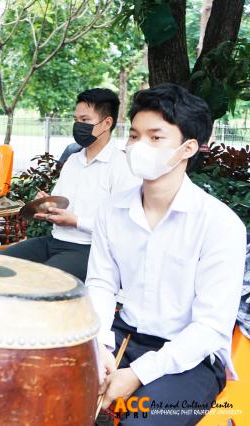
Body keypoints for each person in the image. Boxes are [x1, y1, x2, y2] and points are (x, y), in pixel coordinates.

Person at [88, 84, 246, 425]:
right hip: (122, 338)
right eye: (134, 136)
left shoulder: (220, 225)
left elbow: (208, 328)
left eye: (155, 137)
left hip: (192, 358)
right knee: (49, 393)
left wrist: (136, 374)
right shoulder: (112, 210)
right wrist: (100, 348)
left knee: (144, 420)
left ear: (188, 147)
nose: (138, 147)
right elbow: (100, 283)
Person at [0, 88, 140, 281]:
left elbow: (122, 226)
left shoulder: (121, 166)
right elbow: (61, 203)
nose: (78, 125)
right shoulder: (73, 161)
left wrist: (75, 221)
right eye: (76, 120)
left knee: (40, 282)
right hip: (54, 241)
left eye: (85, 120)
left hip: (90, 249)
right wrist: (46, 204)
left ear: (107, 123)